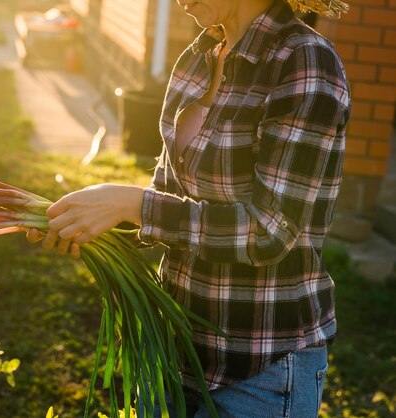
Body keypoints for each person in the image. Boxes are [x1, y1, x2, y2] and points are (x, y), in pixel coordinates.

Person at [28, 0, 351, 416]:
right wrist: (82, 220)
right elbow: (169, 205)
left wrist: (135, 204)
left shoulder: (304, 62)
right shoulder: (197, 58)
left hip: (260, 371)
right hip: (173, 355)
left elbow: (270, 231)